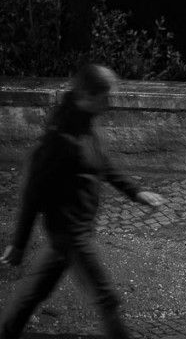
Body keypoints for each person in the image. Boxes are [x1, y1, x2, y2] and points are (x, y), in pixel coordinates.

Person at [0, 64, 164, 339]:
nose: (110, 104)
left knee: (33, 294)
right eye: (106, 97)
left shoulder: (84, 123)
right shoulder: (60, 139)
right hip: (71, 232)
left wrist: (135, 192)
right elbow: (32, 192)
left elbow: (100, 164)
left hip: (72, 232)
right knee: (106, 298)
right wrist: (18, 244)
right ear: (88, 95)